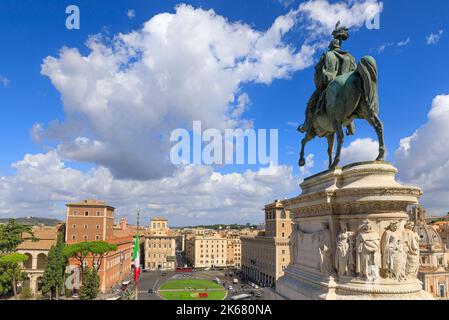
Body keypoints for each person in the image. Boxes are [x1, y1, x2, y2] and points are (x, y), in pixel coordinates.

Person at [298, 21, 357, 136]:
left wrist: (321, 81)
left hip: (330, 83)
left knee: (311, 103)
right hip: (348, 85)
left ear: (331, 45)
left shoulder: (328, 55)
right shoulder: (350, 57)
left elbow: (325, 75)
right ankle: (351, 126)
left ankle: (306, 125)